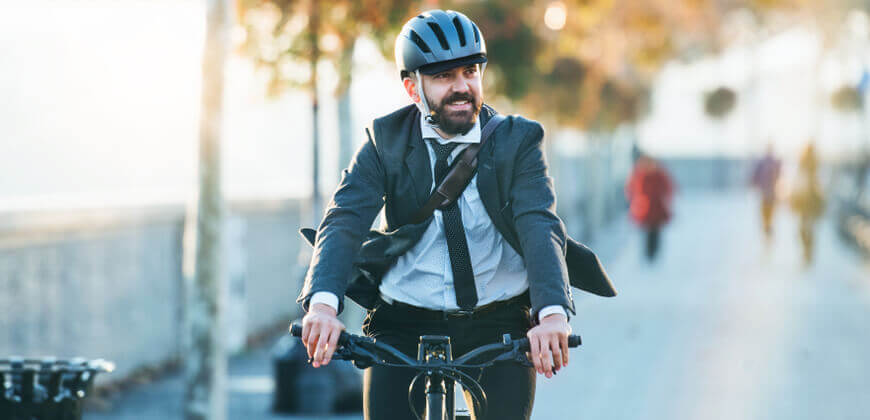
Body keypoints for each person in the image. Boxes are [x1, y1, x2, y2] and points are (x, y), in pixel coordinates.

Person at [295, 9, 614, 420]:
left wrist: (551, 314)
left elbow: (539, 223)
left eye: (470, 71)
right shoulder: (385, 141)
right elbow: (344, 219)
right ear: (413, 87)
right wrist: (322, 307)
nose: (462, 87)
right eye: (444, 76)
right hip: (403, 318)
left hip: (496, 320)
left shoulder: (519, 141)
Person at [625, 154, 675, 261]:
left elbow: (668, 189)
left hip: (657, 209)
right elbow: (631, 190)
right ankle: (648, 253)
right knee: (646, 233)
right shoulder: (639, 175)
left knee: (656, 232)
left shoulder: (660, 175)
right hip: (644, 209)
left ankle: (654, 253)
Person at [789, 142, 825, 265]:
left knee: (805, 228)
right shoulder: (809, 164)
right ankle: (808, 251)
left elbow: (798, 183)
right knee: (807, 229)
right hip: (808, 202)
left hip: (807, 202)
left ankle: (807, 251)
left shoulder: (811, 165)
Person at [750, 144, 782, 241]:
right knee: (769, 210)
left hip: (766, 191)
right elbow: (779, 174)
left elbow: (755, 175)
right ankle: (768, 227)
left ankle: (767, 227)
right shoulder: (772, 162)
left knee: (766, 210)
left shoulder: (763, 162)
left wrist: (755, 184)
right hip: (770, 191)